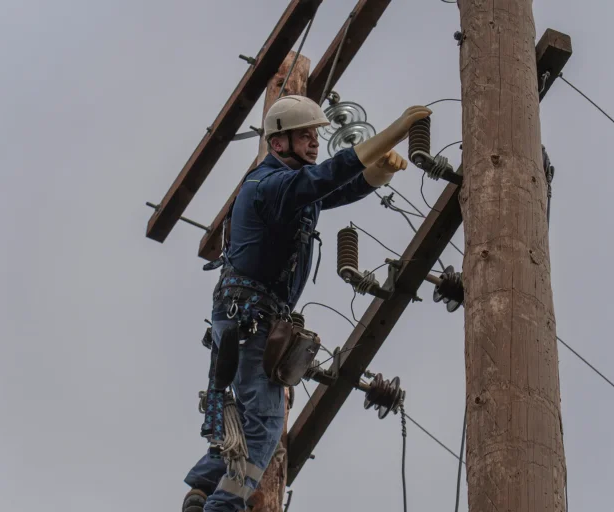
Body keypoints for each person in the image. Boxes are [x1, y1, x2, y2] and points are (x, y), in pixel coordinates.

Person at [182, 95, 432, 512]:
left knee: (246, 417)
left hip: (247, 314)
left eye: (316, 134)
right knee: (263, 425)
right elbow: (324, 179)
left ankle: (203, 491)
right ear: (278, 143)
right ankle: (222, 506)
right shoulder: (269, 186)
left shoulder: (288, 186)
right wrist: (392, 133)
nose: (315, 143)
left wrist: (376, 176)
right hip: (251, 317)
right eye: (305, 135)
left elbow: (332, 189)